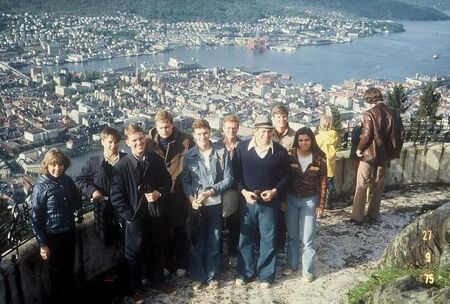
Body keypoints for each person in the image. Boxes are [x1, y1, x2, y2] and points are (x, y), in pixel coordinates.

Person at [110, 124, 175, 304]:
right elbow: (116, 196)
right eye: (134, 140)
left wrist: (158, 193)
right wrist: (129, 216)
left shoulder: (155, 159)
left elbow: (167, 181)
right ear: (128, 143)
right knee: (133, 255)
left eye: (141, 139)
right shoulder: (121, 167)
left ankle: (157, 281)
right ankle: (135, 289)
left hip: (154, 214)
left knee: (156, 248)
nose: (139, 143)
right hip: (135, 216)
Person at [235, 115, 290, 288]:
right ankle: (245, 272)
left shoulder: (280, 152)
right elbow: (235, 174)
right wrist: (244, 192)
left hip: (269, 202)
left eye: (269, 131)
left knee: (268, 239)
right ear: (255, 131)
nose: (266, 135)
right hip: (248, 201)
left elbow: (287, 176)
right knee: (246, 238)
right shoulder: (242, 148)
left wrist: (274, 191)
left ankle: (266, 275)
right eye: (263, 131)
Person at [182, 119, 234, 290]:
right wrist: (192, 200)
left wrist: (211, 191)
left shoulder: (221, 152)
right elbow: (186, 182)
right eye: (199, 134)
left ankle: (213, 276)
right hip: (197, 205)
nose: (203, 137)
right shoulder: (189, 155)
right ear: (194, 135)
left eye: (205, 133)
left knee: (214, 240)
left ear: (210, 132)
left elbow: (229, 178)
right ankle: (198, 276)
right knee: (197, 241)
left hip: (215, 203)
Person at [146, 110, 194, 278]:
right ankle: (166, 262)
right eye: (160, 128)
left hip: (178, 192)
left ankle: (181, 262)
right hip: (158, 192)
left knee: (180, 228)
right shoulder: (148, 143)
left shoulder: (186, 141)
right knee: (162, 230)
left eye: (167, 127)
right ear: (155, 127)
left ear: (172, 125)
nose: (164, 131)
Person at [31, 148, 82, 304]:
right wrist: (43, 244)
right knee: (56, 272)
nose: (57, 168)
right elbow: (35, 218)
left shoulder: (66, 180)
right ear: (46, 165)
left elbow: (77, 199)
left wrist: (75, 208)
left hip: (69, 231)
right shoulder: (40, 187)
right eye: (53, 164)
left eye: (60, 165)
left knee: (68, 268)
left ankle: (69, 297)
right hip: (53, 235)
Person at [351, 88, 405, 224]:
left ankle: (357, 216)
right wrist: (394, 151)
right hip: (385, 155)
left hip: (369, 154)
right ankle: (374, 214)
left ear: (369, 100)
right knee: (379, 184)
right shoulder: (394, 113)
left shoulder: (369, 114)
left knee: (361, 183)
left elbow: (367, 135)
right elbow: (402, 134)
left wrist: (359, 149)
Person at [282, 127, 327, 283]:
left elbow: (323, 182)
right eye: (300, 140)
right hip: (291, 199)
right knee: (292, 235)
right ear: (297, 141)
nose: (303, 143)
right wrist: (282, 200)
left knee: (308, 238)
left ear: (312, 140)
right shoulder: (290, 156)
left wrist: (321, 204)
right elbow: (283, 178)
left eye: (307, 140)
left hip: (310, 200)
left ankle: (307, 271)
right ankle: (292, 264)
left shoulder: (319, 158)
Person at [76, 127, 126, 246]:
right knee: (108, 241)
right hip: (103, 210)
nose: (113, 146)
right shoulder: (93, 162)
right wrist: (93, 191)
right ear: (102, 142)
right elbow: (80, 180)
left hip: (123, 208)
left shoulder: (126, 159)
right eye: (110, 142)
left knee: (126, 239)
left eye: (116, 142)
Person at [215, 114, 241, 267]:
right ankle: (218, 253)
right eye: (228, 128)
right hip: (219, 188)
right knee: (217, 222)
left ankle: (232, 252)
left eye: (234, 128)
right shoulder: (217, 146)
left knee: (234, 222)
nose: (231, 131)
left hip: (236, 189)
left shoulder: (243, 146)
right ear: (223, 129)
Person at [271, 104, 296, 256]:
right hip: (270, 176)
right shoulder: (267, 132)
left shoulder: (294, 135)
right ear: (273, 118)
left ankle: (280, 244)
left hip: (287, 177)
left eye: (284, 116)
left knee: (282, 211)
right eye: (278, 117)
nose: (281, 119)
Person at [315, 115, 340, 209]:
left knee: (319, 185)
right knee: (330, 183)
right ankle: (328, 203)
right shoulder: (335, 134)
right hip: (331, 163)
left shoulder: (318, 137)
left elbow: (315, 148)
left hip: (321, 162)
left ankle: (320, 203)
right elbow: (337, 143)